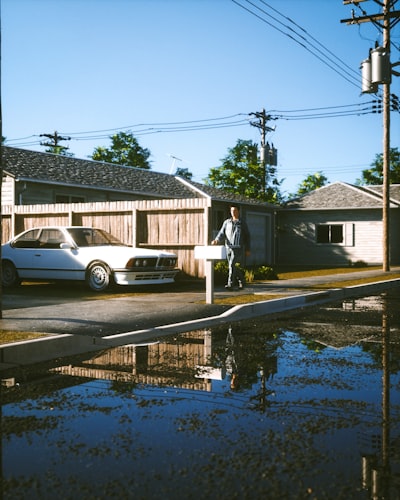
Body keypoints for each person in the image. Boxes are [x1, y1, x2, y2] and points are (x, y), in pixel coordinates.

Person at [211, 205, 251, 291]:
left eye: (235, 210)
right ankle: (242, 281)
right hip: (228, 247)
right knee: (231, 266)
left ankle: (230, 284)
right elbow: (222, 233)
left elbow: (247, 236)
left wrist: (248, 249)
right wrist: (216, 240)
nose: (233, 212)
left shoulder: (242, 223)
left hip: (237, 247)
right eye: (232, 210)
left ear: (238, 211)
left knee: (232, 264)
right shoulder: (227, 222)